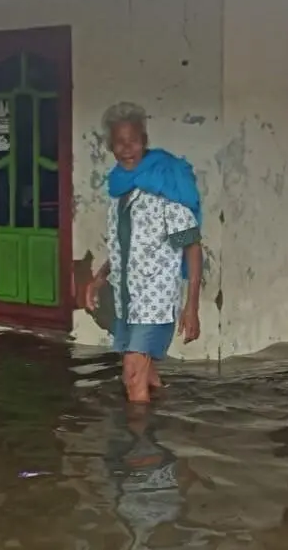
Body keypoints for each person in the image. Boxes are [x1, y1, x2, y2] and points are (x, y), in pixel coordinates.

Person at [83, 103, 202, 403]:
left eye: (133, 141)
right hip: (128, 301)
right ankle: (164, 420)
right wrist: (99, 278)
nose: (126, 149)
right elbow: (127, 247)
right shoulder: (119, 190)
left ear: (144, 140)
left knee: (132, 376)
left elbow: (192, 246)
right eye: (119, 143)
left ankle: (139, 446)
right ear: (110, 146)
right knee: (145, 376)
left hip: (154, 303)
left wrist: (192, 307)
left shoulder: (164, 188)